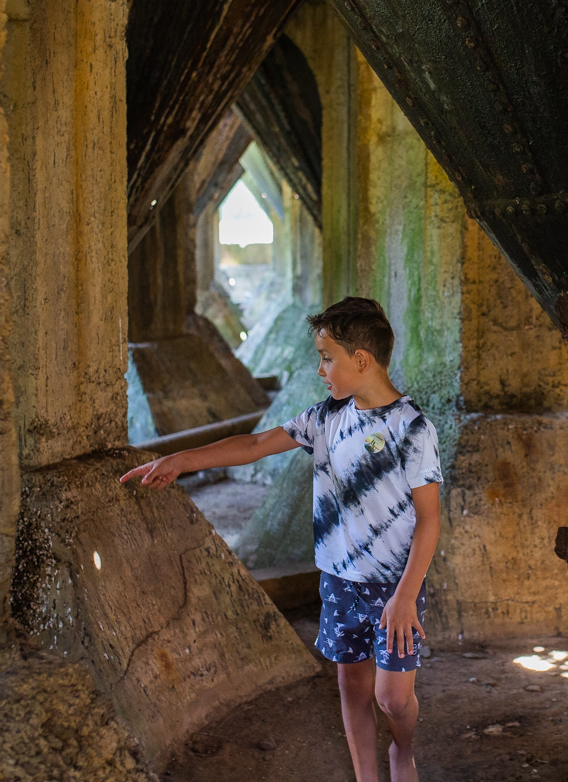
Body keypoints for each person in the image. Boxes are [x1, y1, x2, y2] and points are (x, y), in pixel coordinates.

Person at [119, 296, 441, 782]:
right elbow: (252, 445)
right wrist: (180, 460)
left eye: (327, 358)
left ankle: (404, 748)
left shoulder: (412, 428)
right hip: (338, 580)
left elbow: (429, 520)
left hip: (395, 588)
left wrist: (405, 596)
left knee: (392, 698)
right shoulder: (324, 417)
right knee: (353, 689)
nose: (320, 369)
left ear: (361, 359)